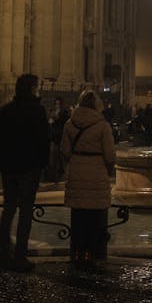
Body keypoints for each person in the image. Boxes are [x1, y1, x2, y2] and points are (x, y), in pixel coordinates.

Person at [0, 73, 50, 272]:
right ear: (33, 88)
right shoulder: (38, 111)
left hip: (9, 169)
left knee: (8, 210)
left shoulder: (4, 111)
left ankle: (4, 256)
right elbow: (44, 141)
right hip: (29, 169)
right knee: (25, 212)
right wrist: (42, 165)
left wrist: (3, 161)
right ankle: (20, 257)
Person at [60, 90, 116, 268]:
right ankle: (90, 253)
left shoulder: (70, 124)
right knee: (94, 216)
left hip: (77, 169)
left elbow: (65, 151)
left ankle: (76, 250)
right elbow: (110, 155)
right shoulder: (102, 125)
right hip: (96, 172)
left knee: (77, 215)